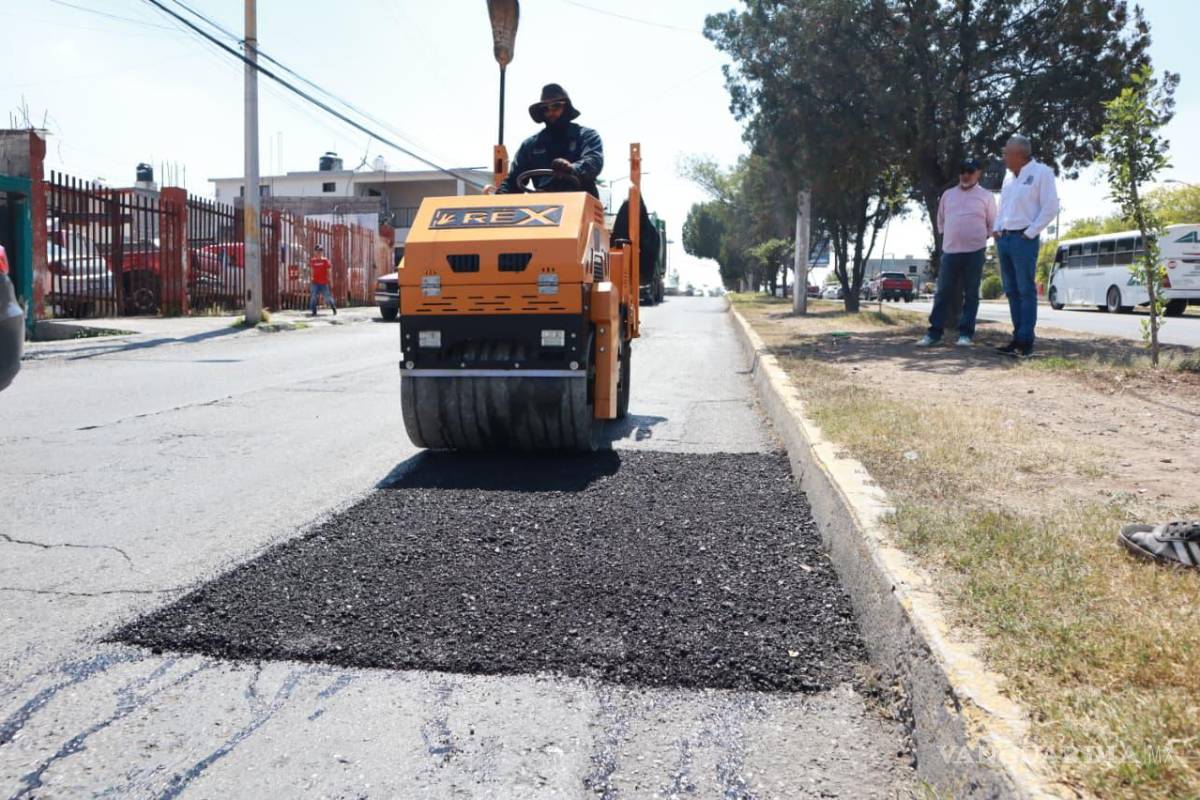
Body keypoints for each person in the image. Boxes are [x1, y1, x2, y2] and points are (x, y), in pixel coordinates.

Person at [917, 158, 997, 347]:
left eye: (970, 171)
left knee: (971, 294)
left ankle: (965, 335)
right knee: (943, 292)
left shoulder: (986, 196)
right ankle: (933, 334)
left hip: (975, 252)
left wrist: (979, 238)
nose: (965, 175)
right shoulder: (947, 195)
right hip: (951, 251)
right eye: (962, 170)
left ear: (978, 173)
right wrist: (952, 237)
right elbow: (941, 221)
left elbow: (992, 223)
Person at [992, 134, 1058, 358]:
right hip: (1005, 239)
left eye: (1006, 152)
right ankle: (1016, 337)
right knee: (1011, 291)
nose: (1004, 157)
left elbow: (1050, 208)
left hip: (1024, 240)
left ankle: (1026, 341)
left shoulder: (1042, 173)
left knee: (1025, 290)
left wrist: (1029, 234)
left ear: (1020, 154)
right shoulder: (1008, 178)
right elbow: (1002, 207)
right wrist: (997, 229)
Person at [496, 83, 603, 198]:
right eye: (545, 108)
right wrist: (498, 198)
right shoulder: (531, 145)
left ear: (566, 108)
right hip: (544, 207)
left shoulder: (586, 136)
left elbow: (594, 162)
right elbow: (513, 181)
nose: (551, 112)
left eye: (556, 106)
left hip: (581, 204)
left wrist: (572, 168)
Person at [308, 244, 336, 317]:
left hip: (324, 283)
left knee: (327, 298)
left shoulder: (325, 261)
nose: (319, 253)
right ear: (315, 252)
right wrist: (311, 280)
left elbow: (329, 272)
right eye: (318, 251)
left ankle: (333, 307)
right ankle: (314, 312)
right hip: (315, 283)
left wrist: (331, 282)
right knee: (313, 296)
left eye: (320, 251)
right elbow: (311, 271)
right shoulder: (313, 261)